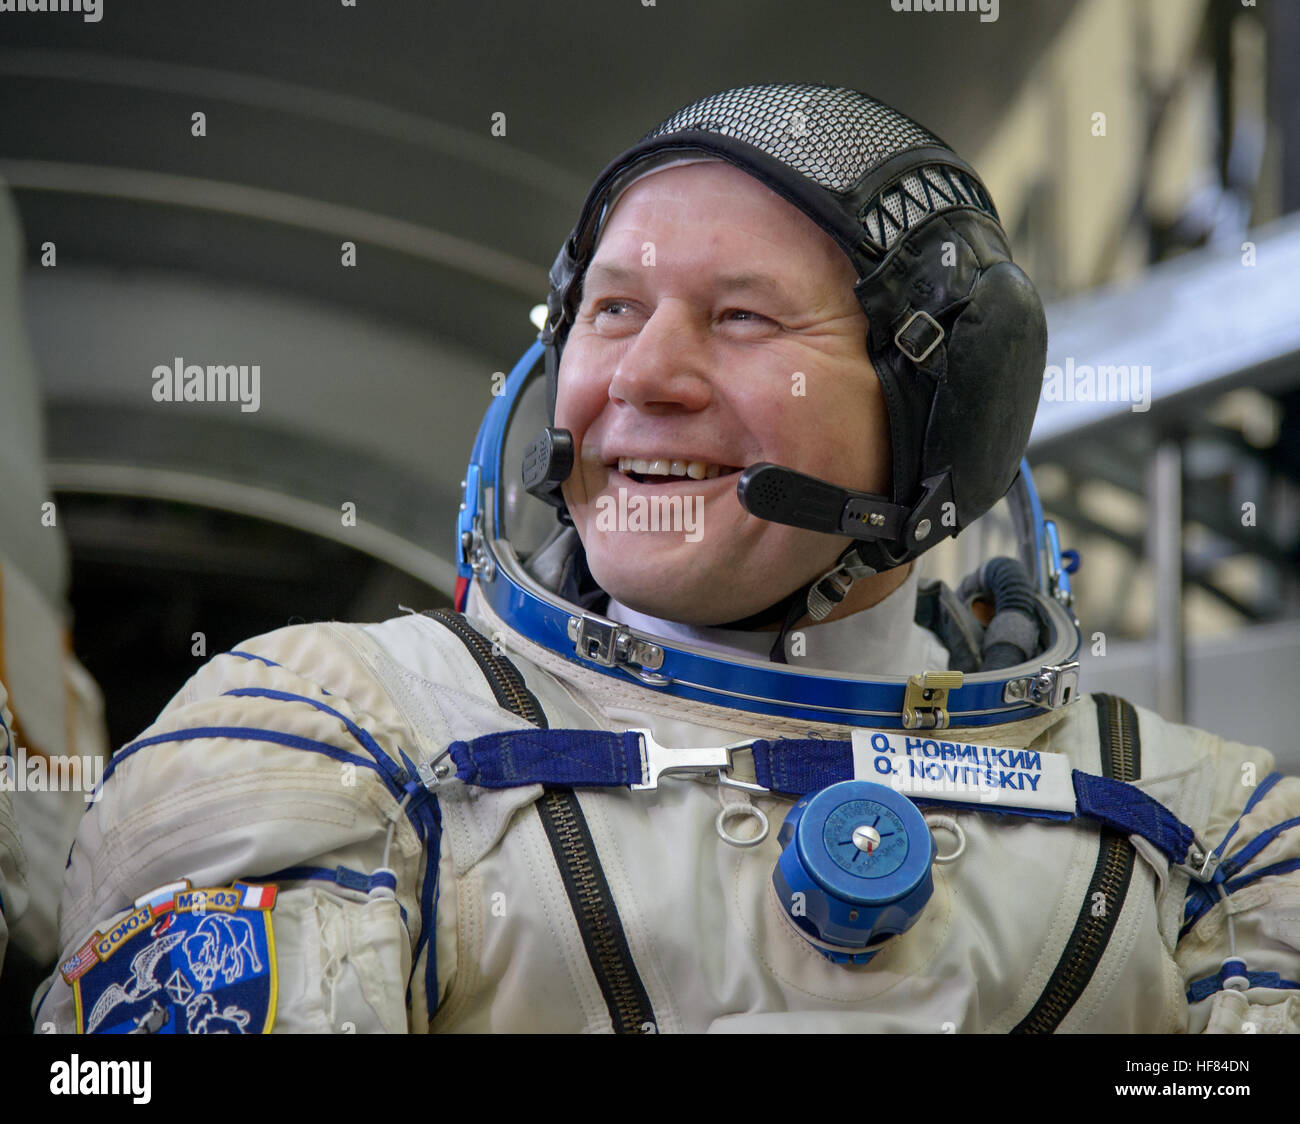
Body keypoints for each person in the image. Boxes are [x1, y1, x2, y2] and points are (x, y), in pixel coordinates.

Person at [35, 83, 1300, 1034]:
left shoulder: (1210, 838)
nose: (643, 376)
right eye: (613, 310)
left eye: (742, 318)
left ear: (949, 407)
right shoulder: (332, 736)